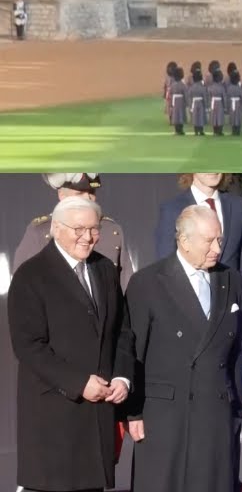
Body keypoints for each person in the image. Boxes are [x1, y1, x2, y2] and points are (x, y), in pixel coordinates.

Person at [8, 196, 136, 492]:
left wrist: (122, 376)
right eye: (79, 229)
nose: (88, 237)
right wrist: (79, 383)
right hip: (54, 417)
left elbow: (123, 331)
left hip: (98, 418)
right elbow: (28, 346)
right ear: (55, 228)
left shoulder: (104, 269)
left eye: (93, 229)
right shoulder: (32, 275)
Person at [125, 205, 242, 492]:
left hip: (215, 412)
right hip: (165, 416)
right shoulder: (148, 282)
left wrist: (236, 406)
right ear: (184, 240)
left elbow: (238, 347)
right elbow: (131, 350)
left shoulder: (230, 279)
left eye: (220, 239)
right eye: (209, 241)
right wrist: (133, 413)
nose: (218, 248)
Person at [15, 173, 137, 290]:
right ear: (62, 196)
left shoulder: (111, 230)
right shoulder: (40, 231)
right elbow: (23, 288)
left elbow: (126, 288)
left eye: (92, 192)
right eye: (80, 193)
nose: (88, 198)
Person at [154, 173, 242, 302]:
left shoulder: (239, 206)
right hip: (191, 303)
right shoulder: (172, 209)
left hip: (231, 304)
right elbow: (167, 265)